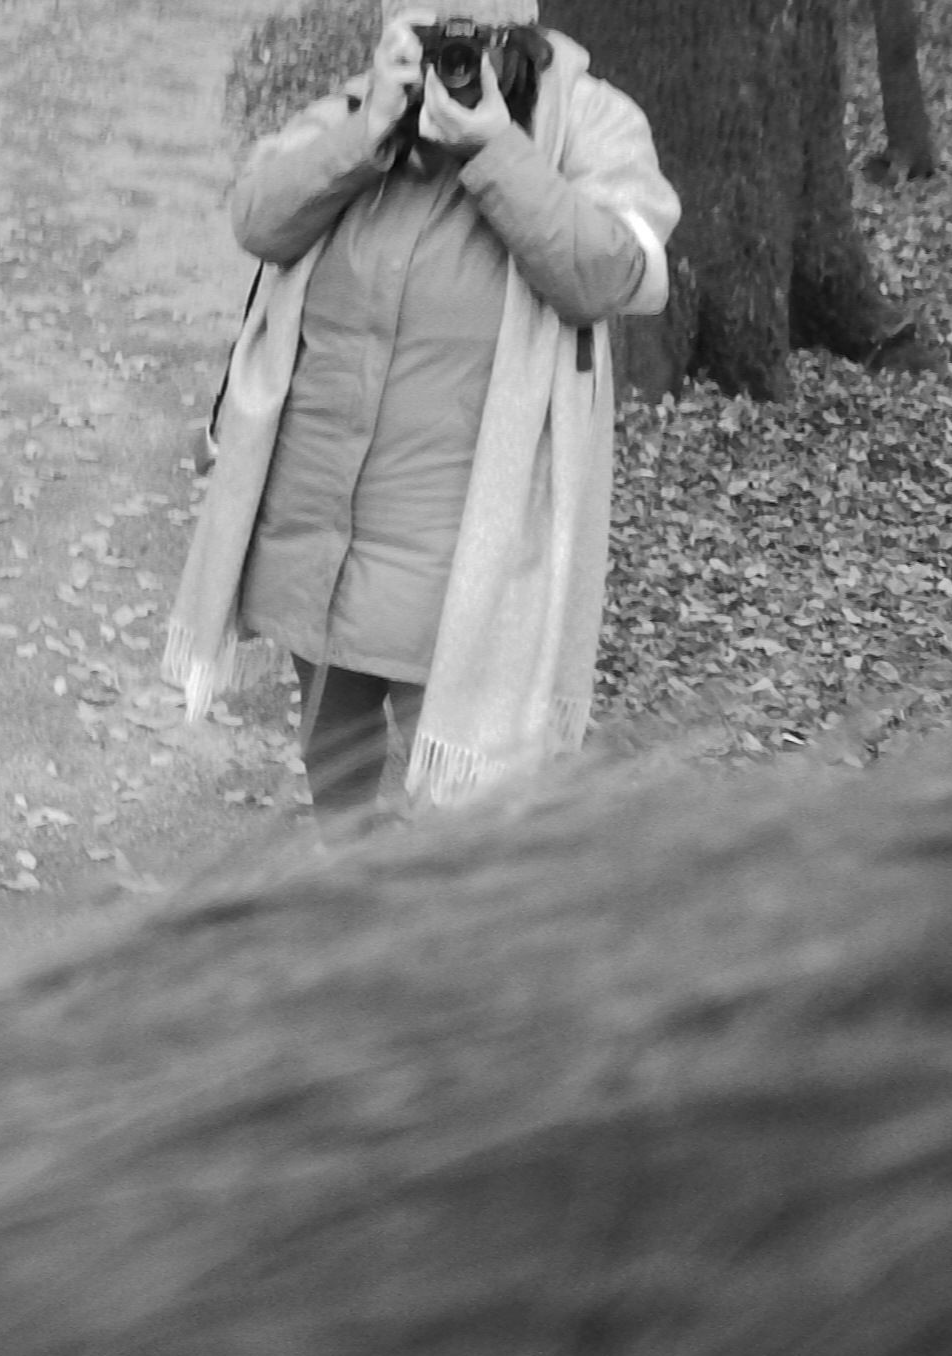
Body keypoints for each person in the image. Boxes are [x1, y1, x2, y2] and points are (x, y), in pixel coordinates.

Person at [166, 2, 679, 815]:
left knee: (468, 798)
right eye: (431, 32)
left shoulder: (589, 119)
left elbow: (611, 275)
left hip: (463, 545)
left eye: (471, 36)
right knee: (331, 756)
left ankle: (444, 926)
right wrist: (369, 125)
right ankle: (358, 901)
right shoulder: (361, 107)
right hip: (315, 525)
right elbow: (258, 216)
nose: (454, 57)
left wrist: (491, 148)